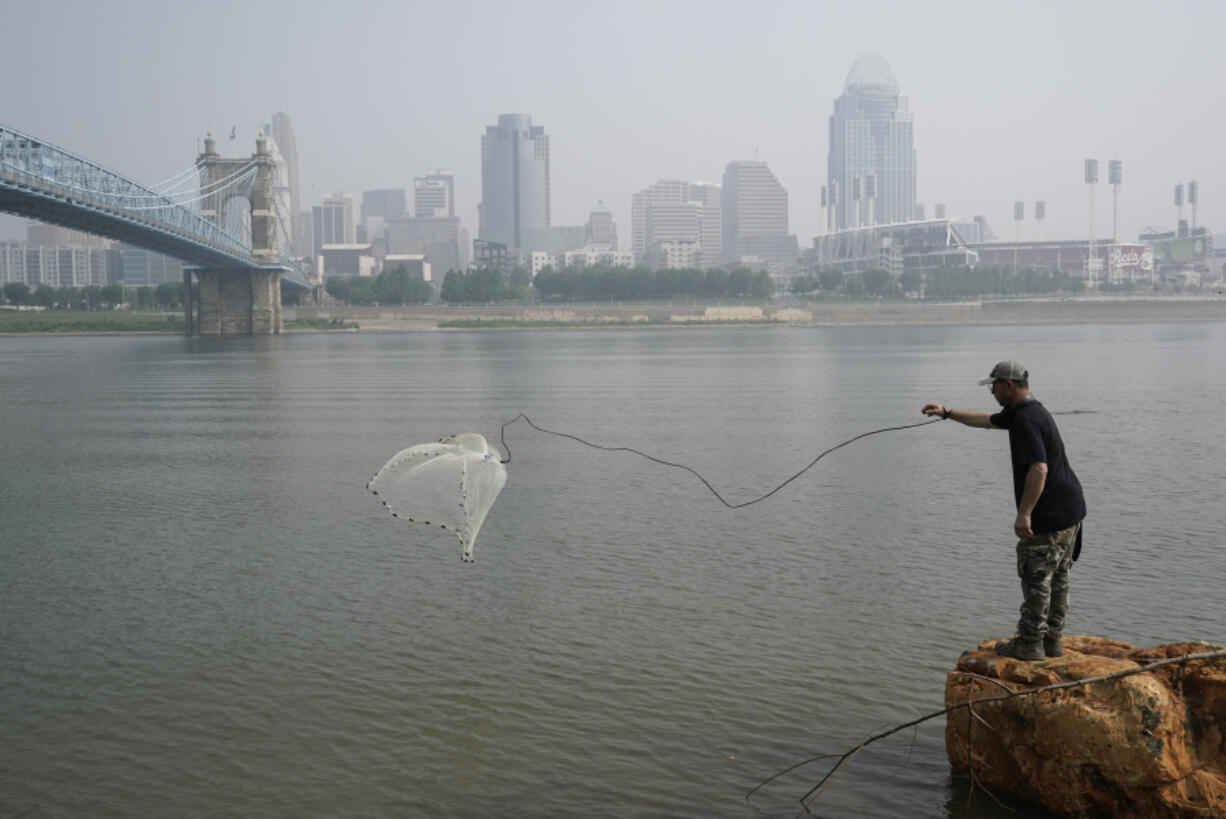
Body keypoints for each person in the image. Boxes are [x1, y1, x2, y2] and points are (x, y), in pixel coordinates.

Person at [922, 360, 1086, 661]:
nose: (993, 392)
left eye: (994, 386)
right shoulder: (1029, 410)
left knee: (1037, 578)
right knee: (1059, 577)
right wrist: (947, 412)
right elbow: (986, 421)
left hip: (1049, 515)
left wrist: (1025, 514)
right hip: (1071, 509)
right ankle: (1052, 642)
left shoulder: (1025, 421)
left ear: (1008, 385)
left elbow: (1039, 468)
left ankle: (1030, 645)